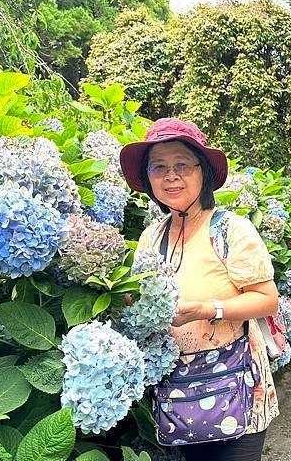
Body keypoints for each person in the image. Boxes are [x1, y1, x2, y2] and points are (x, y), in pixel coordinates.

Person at [120, 117, 280, 461]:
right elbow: (138, 299)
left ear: (203, 171)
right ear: (148, 179)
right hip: (178, 393)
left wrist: (209, 309)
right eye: (158, 167)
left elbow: (267, 300)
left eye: (181, 164)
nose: (170, 175)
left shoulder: (231, 230)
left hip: (236, 390)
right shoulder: (152, 236)